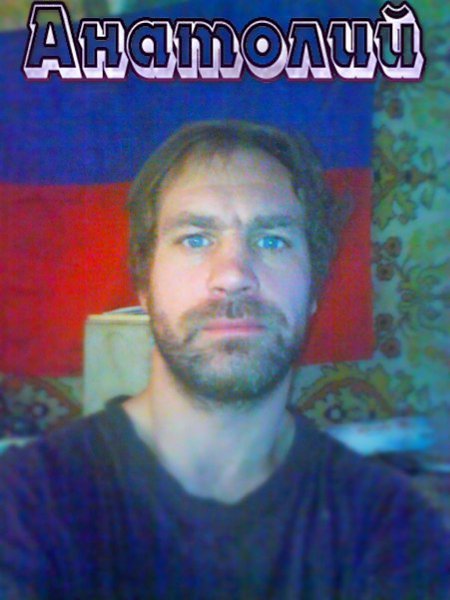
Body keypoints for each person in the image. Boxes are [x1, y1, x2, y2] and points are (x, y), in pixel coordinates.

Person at [0, 120, 448, 599]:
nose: (233, 275)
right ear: (144, 285)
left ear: (314, 288)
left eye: (272, 240)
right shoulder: (27, 502)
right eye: (195, 238)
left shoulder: (387, 522)